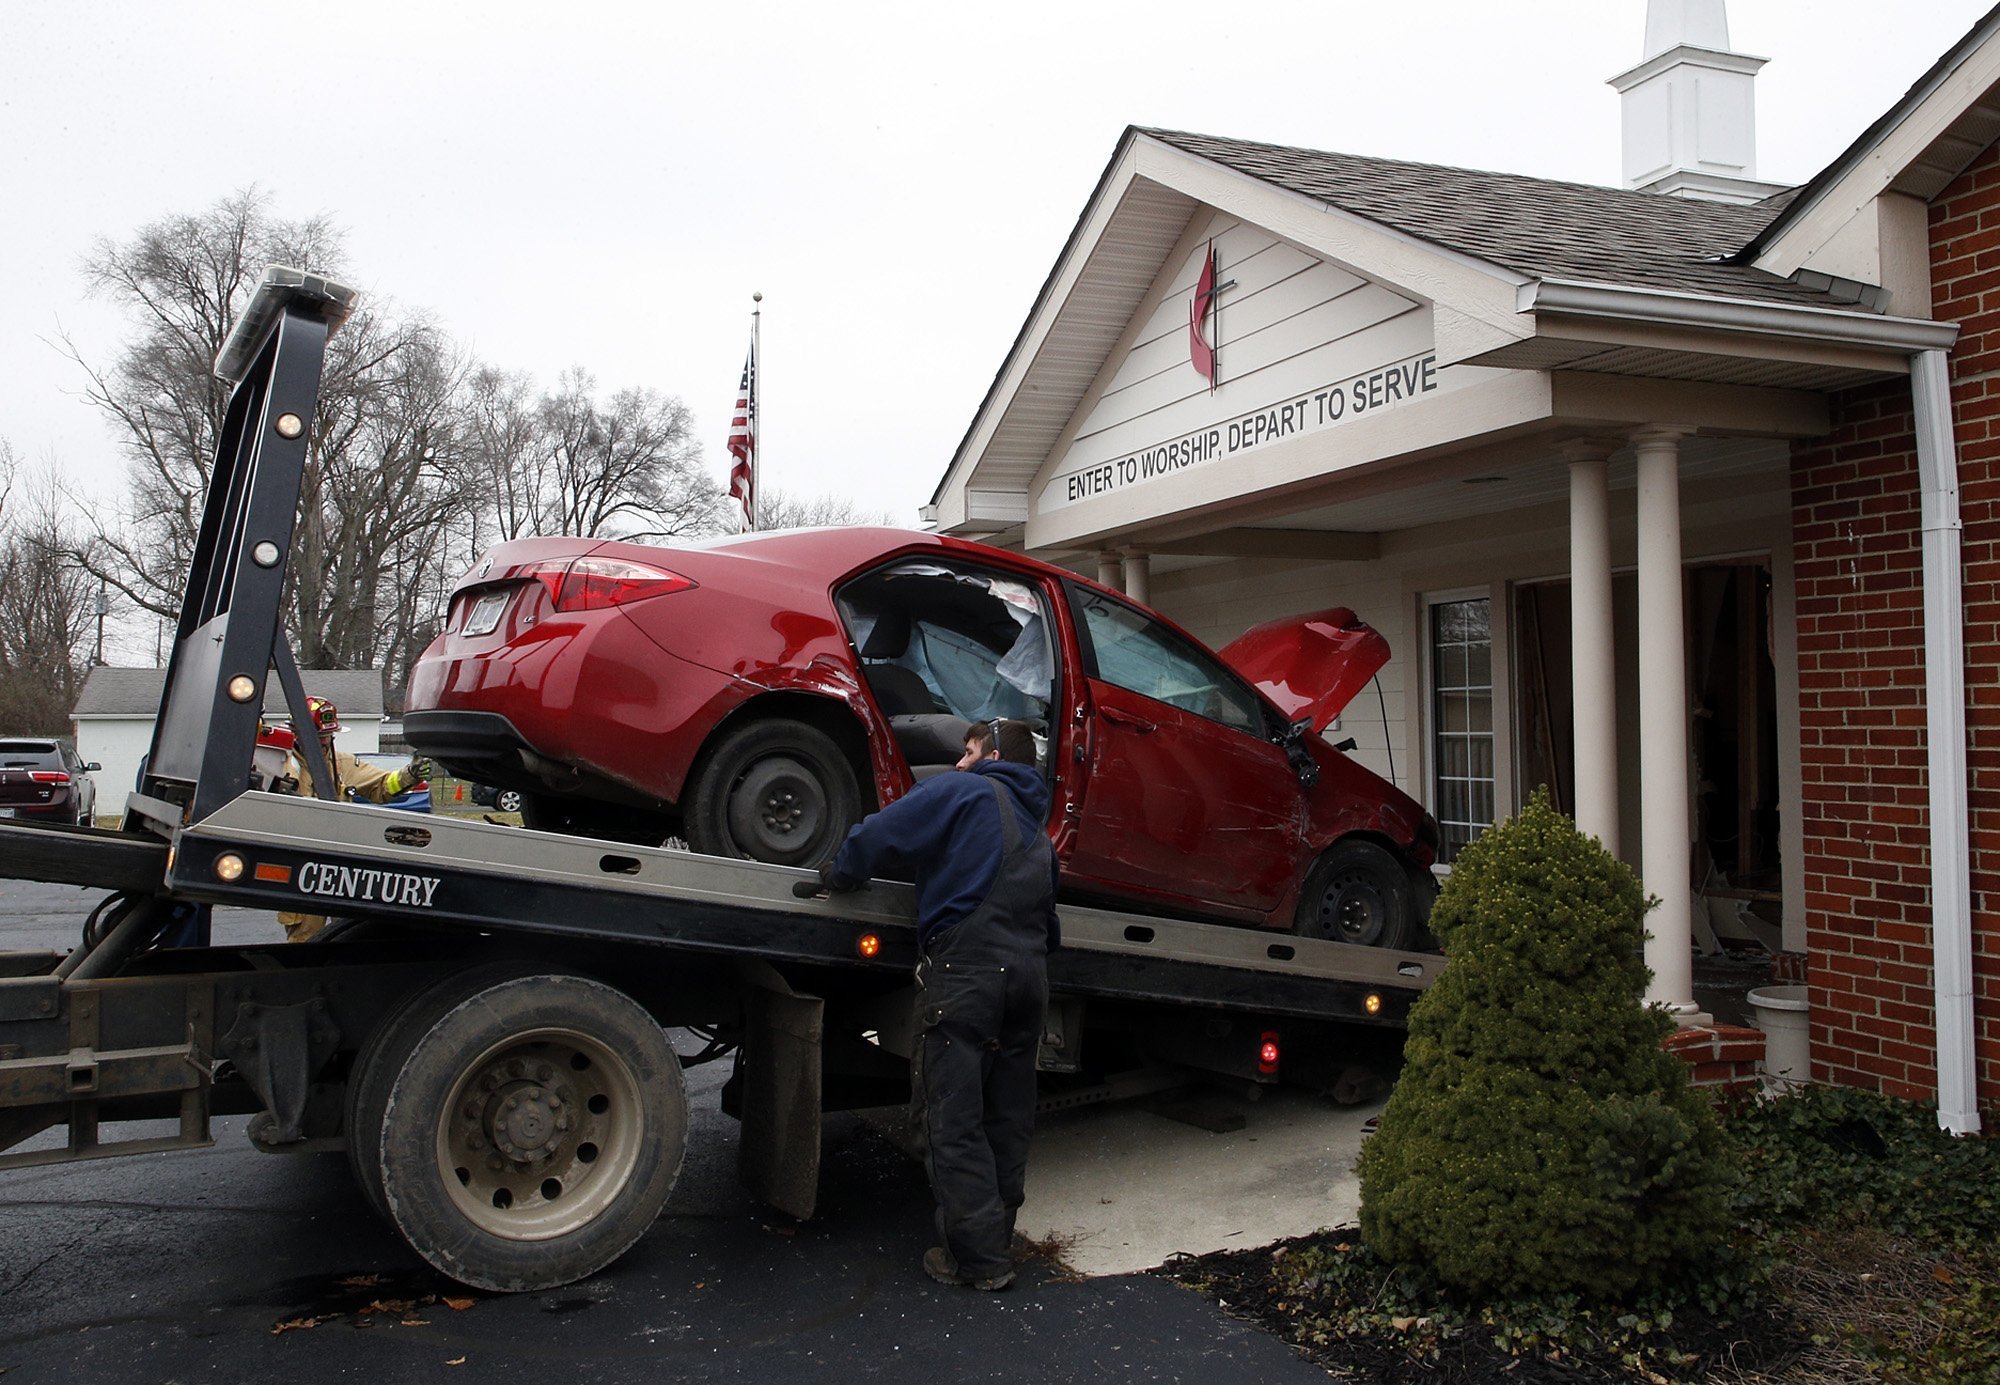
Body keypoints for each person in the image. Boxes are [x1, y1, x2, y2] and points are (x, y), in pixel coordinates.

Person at [821, 718, 1060, 1292]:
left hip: (969, 975)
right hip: (1030, 982)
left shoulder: (964, 791)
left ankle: (977, 1262)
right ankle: (996, 1240)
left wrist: (841, 869)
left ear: (993, 755)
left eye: (969, 750)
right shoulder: (1038, 832)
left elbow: (882, 834)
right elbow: (1049, 928)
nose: (958, 761)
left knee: (953, 1120)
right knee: (1007, 1115)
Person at [276, 695, 429, 943]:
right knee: (304, 940)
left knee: (346, 938)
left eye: (328, 735)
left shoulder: (342, 763)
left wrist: (408, 775)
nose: (325, 741)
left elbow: (381, 785)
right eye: (319, 736)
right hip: (299, 864)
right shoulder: (280, 763)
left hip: (338, 863)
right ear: (297, 732)